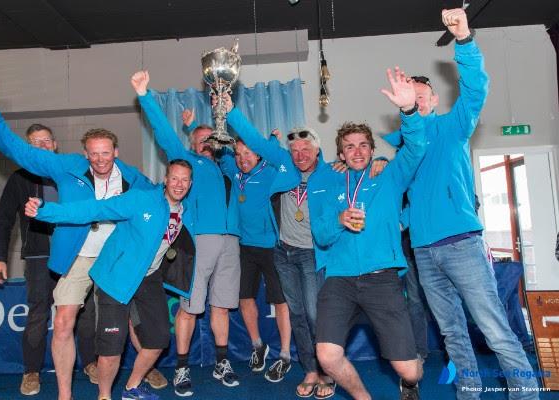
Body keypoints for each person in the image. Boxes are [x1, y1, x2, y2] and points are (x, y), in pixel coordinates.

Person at [382, 8, 540, 399]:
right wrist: (405, 219)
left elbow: (476, 89)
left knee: (493, 327)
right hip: (423, 251)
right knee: (452, 332)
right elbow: (399, 199)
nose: (416, 104)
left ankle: (526, 394)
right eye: (408, 100)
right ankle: (470, 392)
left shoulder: (452, 126)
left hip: (461, 244)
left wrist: (465, 40)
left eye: (421, 98)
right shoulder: (403, 147)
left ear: (434, 100)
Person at [0, 92, 166, 400]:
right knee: (63, 321)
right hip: (77, 257)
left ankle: (142, 372)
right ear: (85, 153)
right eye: (94, 154)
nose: (100, 159)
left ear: (115, 151)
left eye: (106, 153)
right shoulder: (68, 167)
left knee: (131, 319)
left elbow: (164, 198)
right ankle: (65, 395)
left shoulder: (132, 177)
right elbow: (24, 154)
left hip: (115, 259)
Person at [24, 159, 196, 400]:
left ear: (190, 183)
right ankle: (104, 396)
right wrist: (46, 210)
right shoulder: (141, 198)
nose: (179, 184)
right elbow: (95, 209)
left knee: (159, 340)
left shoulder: (185, 210)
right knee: (111, 350)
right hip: (115, 277)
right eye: (174, 178)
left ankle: (131, 388)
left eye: (185, 179)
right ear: (165, 180)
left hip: (148, 279)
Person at [309, 66, 425, 400]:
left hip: (381, 278)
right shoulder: (329, 182)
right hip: (340, 279)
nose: (357, 151)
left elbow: (416, 147)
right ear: (340, 154)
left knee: (409, 369)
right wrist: (339, 220)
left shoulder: (389, 176)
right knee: (327, 356)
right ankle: (363, 397)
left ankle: (410, 380)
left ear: (372, 149)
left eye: (363, 145)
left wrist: (408, 110)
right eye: (349, 147)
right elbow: (321, 236)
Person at [132, 71, 241, 397]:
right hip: (199, 243)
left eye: (212, 137)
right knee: (190, 308)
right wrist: (145, 96)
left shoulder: (230, 168)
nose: (208, 141)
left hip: (230, 243)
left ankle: (222, 362)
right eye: (201, 138)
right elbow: (165, 135)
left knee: (221, 307)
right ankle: (181, 366)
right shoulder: (188, 164)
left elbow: (253, 149)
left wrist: (222, 106)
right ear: (192, 144)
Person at [0, 123, 96, 395]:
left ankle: (91, 363)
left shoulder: (74, 173)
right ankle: (31, 371)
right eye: (35, 143)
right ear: (28, 149)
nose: (42, 146)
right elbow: (3, 220)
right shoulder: (18, 179)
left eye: (46, 141)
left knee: (85, 311)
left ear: (55, 144)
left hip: (76, 254)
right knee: (38, 312)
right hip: (39, 256)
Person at [210, 99, 300, 383]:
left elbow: (276, 153)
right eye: (238, 154)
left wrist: (267, 141)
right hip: (243, 248)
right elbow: (215, 149)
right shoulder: (233, 170)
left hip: (274, 247)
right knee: (244, 298)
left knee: (280, 302)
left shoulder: (272, 170)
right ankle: (258, 345)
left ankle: (285, 354)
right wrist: (204, 121)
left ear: (258, 154)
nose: (242, 159)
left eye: (248, 153)